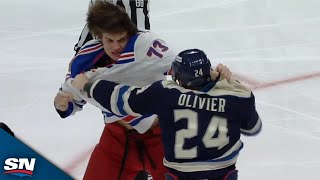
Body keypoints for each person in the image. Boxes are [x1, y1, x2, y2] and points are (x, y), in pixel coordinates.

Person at [54, 1, 231, 179]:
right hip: (117, 139)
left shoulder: (147, 44)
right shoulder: (84, 61)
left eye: (121, 39)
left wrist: (214, 75)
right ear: (99, 37)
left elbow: (182, 70)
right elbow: (69, 101)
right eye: (110, 40)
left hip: (161, 137)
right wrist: (62, 104)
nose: (116, 46)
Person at [72, 49, 262, 180]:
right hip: (223, 175)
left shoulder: (167, 93)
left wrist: (88, 85)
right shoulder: (237, 96)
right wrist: (229, 82)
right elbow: (253, 128)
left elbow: (124, 102)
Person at [74, 0, 151, 53]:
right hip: (104, 51)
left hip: (130, 53)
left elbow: (139, 28)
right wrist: (80, 50)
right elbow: (93, 23)